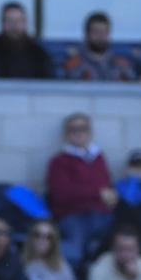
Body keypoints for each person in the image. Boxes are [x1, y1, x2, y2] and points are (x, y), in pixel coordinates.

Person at [46, 113, 117, 263]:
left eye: (83, 128)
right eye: (73, 129)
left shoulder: (98, 157)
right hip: (73, 215)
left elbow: (105, 185)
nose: (78, 133)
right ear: (66, 134)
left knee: (113, 248)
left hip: (101, 213)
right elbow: (61, 194)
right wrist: (97, 193)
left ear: (90, 132)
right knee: (74, 251)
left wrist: (111, 197)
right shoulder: (59, 161)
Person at [63, 11, 138, 83]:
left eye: (104, 32)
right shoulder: (74, 65)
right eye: (96, 32)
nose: (100, 36)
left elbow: (133, 91)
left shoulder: (122, 65)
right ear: (86, 35)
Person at [0, 2, 52, 79]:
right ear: (2, 23)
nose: (14, 25)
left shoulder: (39, 55)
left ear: (25, 23)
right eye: (9, 20)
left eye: (19, 20)